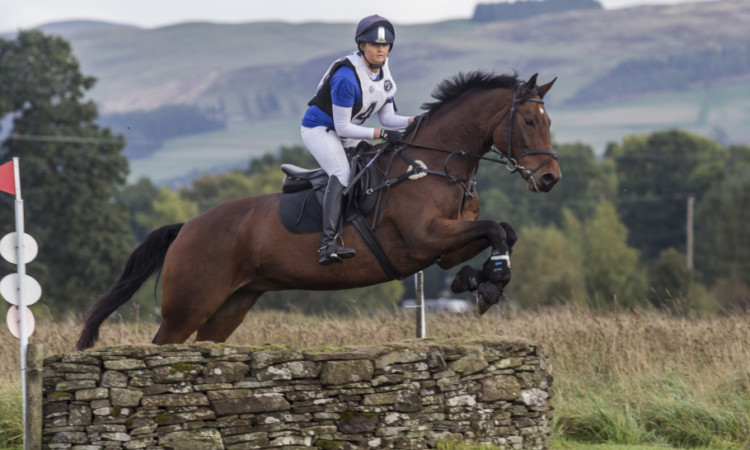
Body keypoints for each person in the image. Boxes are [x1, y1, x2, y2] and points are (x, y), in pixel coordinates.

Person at [301, 14, 414, 265]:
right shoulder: (346, 77)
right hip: (320, 129)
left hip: (348, 131)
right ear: (362, 45)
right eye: (375, 45)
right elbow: (342, 128)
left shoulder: (383, 72)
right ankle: (327, 244)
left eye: (385, 45)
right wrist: (381, 135)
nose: (381, 49)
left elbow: (388, 119)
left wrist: (415, 121)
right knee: (341, 172)